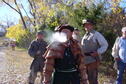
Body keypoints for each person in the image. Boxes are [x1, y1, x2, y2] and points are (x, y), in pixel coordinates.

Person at [81, 19, 108, 84]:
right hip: (85, 60)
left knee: (93, 80)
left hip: (93, 60)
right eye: (85, 25)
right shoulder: (85, 36)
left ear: (92, 25)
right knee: (86, 79)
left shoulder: (96, 34)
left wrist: (97, 52)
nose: (86, 26)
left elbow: (105, 45)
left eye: (88, 24)